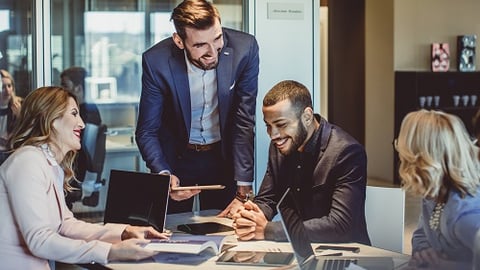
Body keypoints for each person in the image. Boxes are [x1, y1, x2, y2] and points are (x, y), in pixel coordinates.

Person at [0, 86, 168, 269]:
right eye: (74, 114)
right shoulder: (27, 161)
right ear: (51, 118)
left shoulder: (48, 164)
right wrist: (110, 251)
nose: (82, 123)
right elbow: (39, 240)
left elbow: (66, 225)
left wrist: (125, 231)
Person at [136, 0, 259, 215]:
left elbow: (244, 121)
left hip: (222, 157)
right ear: (179, 41)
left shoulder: (244, 49)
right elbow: (147, 130)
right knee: (171, 233)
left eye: (218, 38)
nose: (213, 52)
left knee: (228, 232)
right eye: (200, 45)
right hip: (176, 158)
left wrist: (244, 185)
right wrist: (163, 173)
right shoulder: (157, 61)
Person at [232, 80, 371, 245]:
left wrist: (268, 230)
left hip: (346, 256)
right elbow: (267, 199)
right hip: (299, 251)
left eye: (281, 125)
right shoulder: (279, 146)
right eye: (268, 126)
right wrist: (251, 216)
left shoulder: (346, 152)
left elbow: (341, 225)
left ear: (307, 116)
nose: (273, 134)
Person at [395, 109, 480, 270]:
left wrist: (445, 265)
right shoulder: (434, 194)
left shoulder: (466, 215)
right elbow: (421, 235)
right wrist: (424, 255)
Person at [60, 66, 102, 208]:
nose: (61, 91)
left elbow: (83, 152)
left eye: (65, 86)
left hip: (75, 173)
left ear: (78, 88)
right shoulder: (87, 110)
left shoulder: (87, 115)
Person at [0, 69, 22, 164]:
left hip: (12, 152)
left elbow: (27, 130)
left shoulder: (19, 104)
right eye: (3, 87)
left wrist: (19, 115)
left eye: (9, 86)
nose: (7, 90)